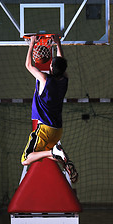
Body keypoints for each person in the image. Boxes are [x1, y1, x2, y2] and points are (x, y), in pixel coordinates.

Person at [21, 34, 78, 183]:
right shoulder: (64, 80)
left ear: (52, 68)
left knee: (26, 159)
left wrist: (32, 43)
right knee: (40, 155)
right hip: (55, 129)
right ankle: (60, 159)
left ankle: (56, 155)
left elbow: (28, 65)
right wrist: (57, 44)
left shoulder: (45, 79)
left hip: (50, 130)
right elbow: (59, 63)